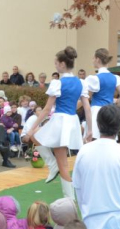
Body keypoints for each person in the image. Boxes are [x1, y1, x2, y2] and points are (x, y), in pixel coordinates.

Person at [26, 47, 92, 200]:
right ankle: (67, 192)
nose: (55, 65)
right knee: (62, 161)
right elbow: (87, 107)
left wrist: (32, 127)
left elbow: (47, 108)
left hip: (60, 120)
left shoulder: (58, 83)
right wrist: (90, 129)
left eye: (56, 63)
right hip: (72, 121)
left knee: (61, 162)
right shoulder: (81, 82)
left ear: (62, 64)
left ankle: (69, 198)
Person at [86, 48, 120, 140]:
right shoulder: (115, 77)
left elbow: (87, 98)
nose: (92, 61)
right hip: (110, 111)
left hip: (97, 111)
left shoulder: (94, 78)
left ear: (97, 59)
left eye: (93, 58)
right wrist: (117, 106)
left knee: (94, 140)